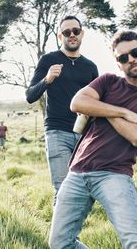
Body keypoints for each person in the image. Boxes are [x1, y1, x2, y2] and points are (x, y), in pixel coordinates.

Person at [49, 30, 137, 248]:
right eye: (122, 58)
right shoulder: (108, 81)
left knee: (136, 243)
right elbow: (77, 103)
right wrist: (122, 112)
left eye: (135, 52)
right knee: (60, 243)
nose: (130, 60)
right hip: (77, 172)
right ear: (118, 64)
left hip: (114, 175)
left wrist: (100, 108)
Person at [26, 15, 98, 203]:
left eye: (76, 31)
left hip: (85, 136)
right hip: (57, 132)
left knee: (85, 192)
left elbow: (97, 103)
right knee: (63, 190)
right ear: (60, 37)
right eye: (67, 32)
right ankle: (61, 234)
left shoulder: (90, 67)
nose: (72, 35)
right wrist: (47, 79)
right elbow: (30, 96)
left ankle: (72, 232)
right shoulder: (49, 60)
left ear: (82, 34)